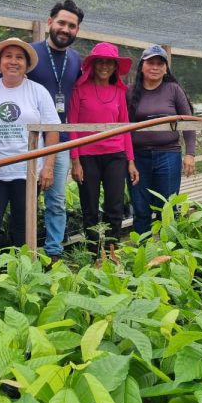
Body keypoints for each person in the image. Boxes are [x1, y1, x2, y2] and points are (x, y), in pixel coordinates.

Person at [0, 0, 84, 261]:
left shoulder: (74, 61)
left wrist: (51, 163)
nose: (65, 28)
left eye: (72, 25)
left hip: (44, 154)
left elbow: (65, 114)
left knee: (47, 208)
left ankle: (45, 258)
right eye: (61, 22)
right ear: (50, 22)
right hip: (3, 162)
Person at [0, 38, 61, 264]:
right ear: (0, 61)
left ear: (26, 63)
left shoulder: (38, 92)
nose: (13, 61)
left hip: (28, 173)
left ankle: (24, 275)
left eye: (19, 57)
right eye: (8, 56)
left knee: (23, 228)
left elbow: (51, 131)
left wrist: (48, 167)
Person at [68, 42, 139, 253]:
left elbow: (124, 127)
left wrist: (131, 161)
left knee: (115, 206)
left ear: (115, 67)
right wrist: (75, 160)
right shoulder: (79, 89)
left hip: (115, 156)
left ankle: (111, 251)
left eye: (110, 63)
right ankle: (92, 254)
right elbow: (72, 126)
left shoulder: (119, 92)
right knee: (89, 207)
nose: (104, 67)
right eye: (100, 62)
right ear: (93, 64)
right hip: (87, 156)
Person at [127, 44, 196, 235]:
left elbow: (188, 122)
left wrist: (190, 153)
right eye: (151, 63)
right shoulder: (130, 92)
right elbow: (123, 128)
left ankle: (168, 249)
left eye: (160, 63)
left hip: (168, 155)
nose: (155, 67)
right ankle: (143, 248)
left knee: (167, 206)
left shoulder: (173, 90)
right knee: (140, 206)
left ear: (166, 69)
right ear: (142, 66)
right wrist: (129, 159)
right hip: (138, 158)